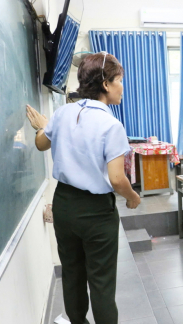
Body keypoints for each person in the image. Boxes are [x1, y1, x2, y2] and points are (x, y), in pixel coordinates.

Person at [26, 52, 140, 324]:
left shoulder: (63, 113)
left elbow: (41, 143)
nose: (122, 86)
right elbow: (116, 179)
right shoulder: (111, 125)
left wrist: (43, 127)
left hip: (64, 204)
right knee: (101, 282)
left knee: (72, 275)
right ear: (105, 84)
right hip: (96, 212)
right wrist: (132, 197)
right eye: (119, 80)